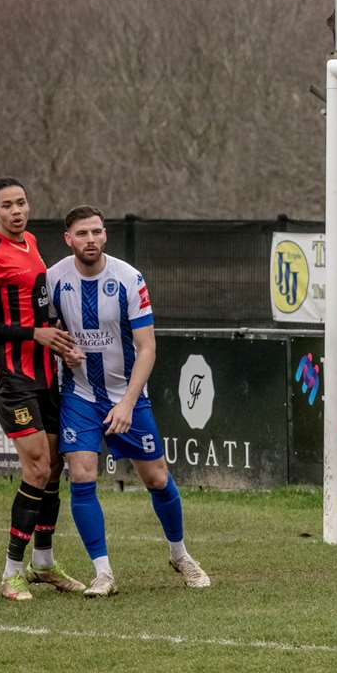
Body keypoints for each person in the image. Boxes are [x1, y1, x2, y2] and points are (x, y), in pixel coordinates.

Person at [46, 206, 210, 596]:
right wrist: (62, 351)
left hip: (127, 395)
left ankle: (180, 554)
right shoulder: (54, 279)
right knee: (83, 476)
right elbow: (50, 330)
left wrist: (127, 404)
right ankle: (103, 573)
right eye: (82, 233)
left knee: (156, 478)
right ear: (68, 239)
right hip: (80, 394)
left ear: (105, 235)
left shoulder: (128, 278)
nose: (91, 239)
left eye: (97, 232)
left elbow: (147, 347)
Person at [0, 178, 86, 601]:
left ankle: (44, 563)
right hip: (11, 375)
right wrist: (34, 334)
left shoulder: (30, 242)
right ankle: (11, 572)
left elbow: (35, 307)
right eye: (7, 206)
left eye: (21, 203)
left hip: (45, 372)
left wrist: (54, 335)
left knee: (54, 467)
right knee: (35, 467)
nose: (17, 211)